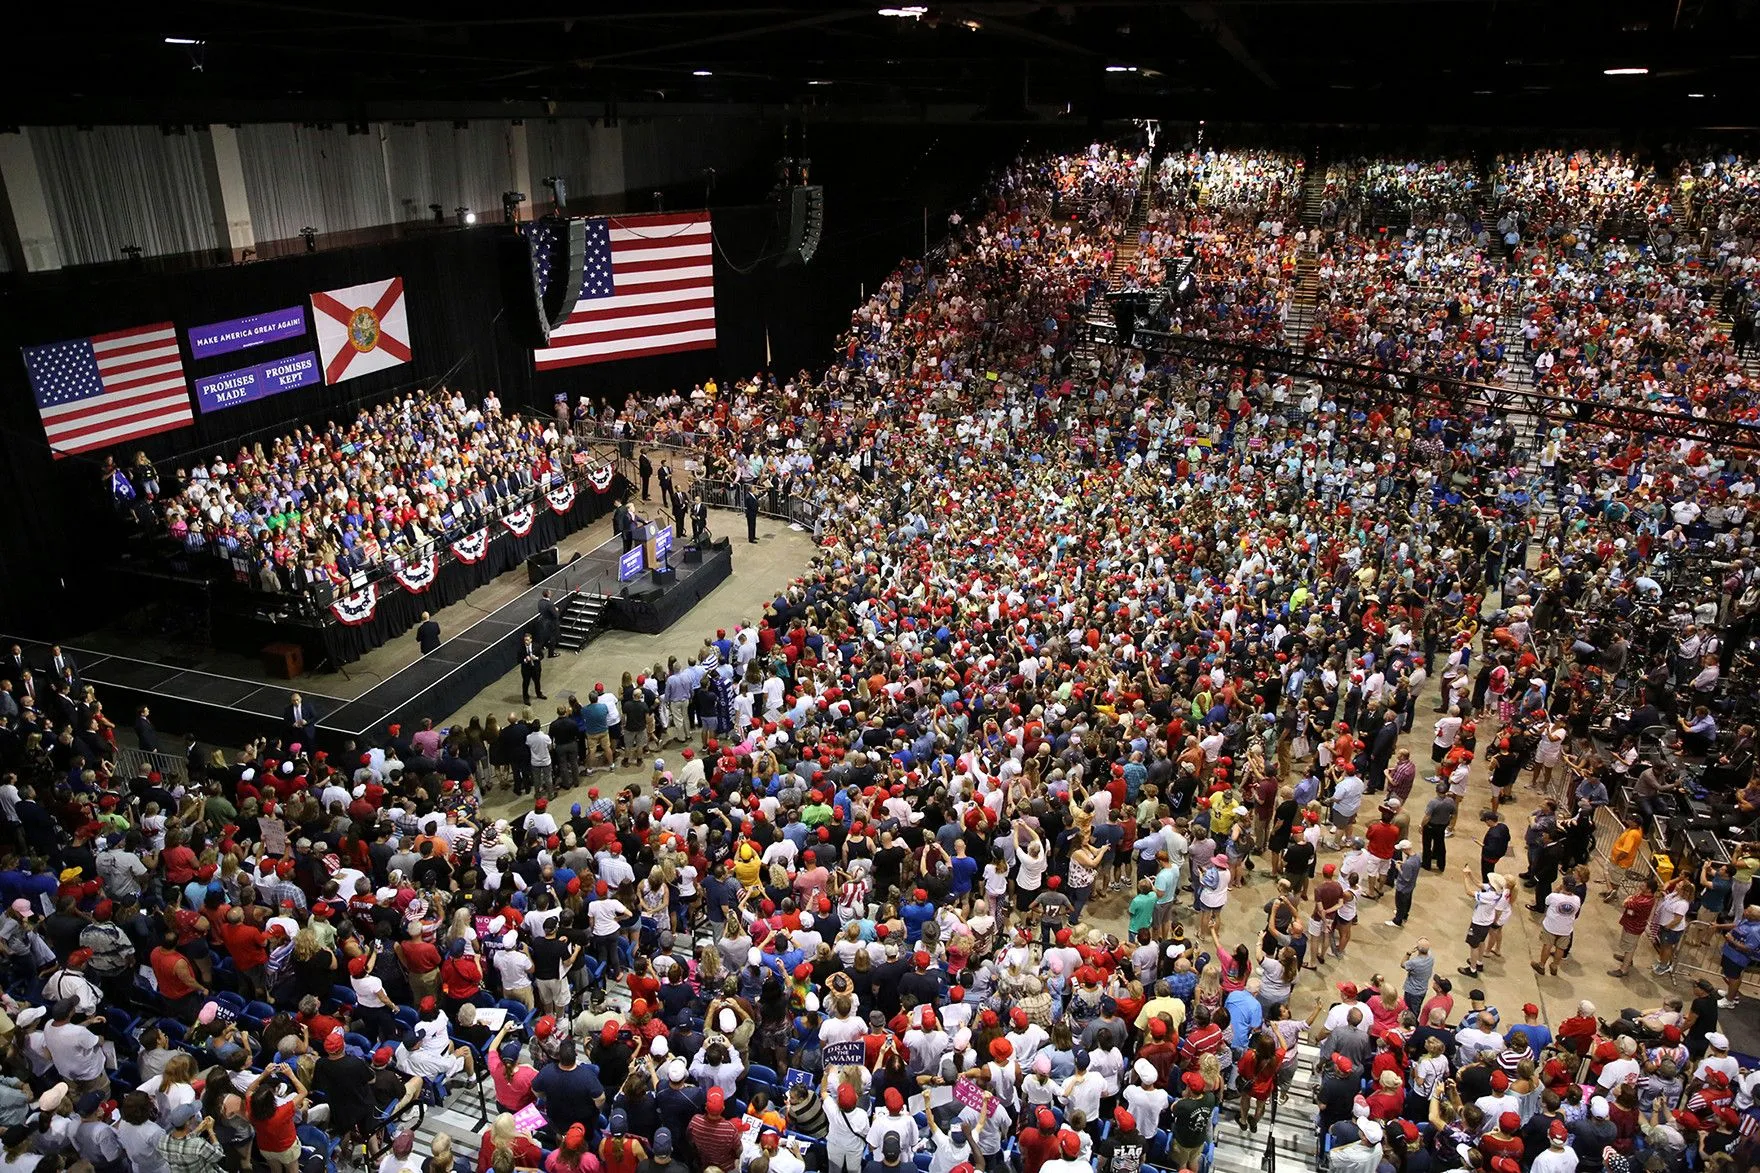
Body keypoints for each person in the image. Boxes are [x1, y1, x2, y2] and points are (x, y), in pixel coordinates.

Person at [520, 633, 546, 704]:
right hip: (526, 669)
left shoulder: (536, 646)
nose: (526, 642)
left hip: (536, 668)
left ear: (531, 640)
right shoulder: (521, 648)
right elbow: (518, 659)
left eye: (527, 640)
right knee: (526, 683)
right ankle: (526, 698)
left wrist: (536, 658)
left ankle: (539, 694)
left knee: (537, 681)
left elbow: (542, 656)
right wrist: (525, 660)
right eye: (525, 640)